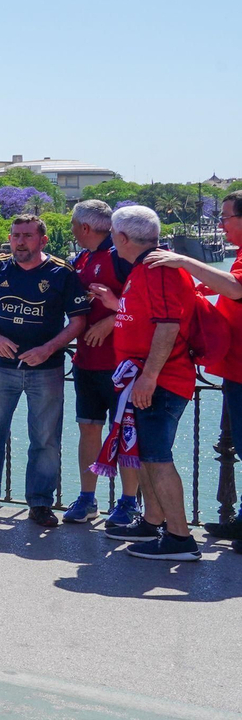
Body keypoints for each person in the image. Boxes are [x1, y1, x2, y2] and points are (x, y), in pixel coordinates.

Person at [90, 205, 203, 560]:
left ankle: (180, 539)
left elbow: (168, 326)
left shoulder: (158, 269)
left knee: (157, 458)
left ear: (121, 237)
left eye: (112, 236)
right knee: (147, 455)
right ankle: (153, 522)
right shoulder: (147, 268)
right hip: (146, 378)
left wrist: (149, 378)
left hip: (159, 380)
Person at [0, 215, 89, 526]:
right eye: (15, 235)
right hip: (1, 367)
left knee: (45, 438)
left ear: (42, 240)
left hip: (46, 369)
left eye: (27, 236)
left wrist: (49, 348)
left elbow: (78, 321)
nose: (20, 241)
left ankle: (40, 503)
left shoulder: (61, 273)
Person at [145, 188, 242, 549]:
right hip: (234, 368)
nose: (222, 224)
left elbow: (235, 289)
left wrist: (183, 262)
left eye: (227, 217)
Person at [62, 200, 142, 527]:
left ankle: (128, 503)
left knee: (126, 433)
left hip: (122, 366)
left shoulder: (122, 258)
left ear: (83, 227)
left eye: (72, 225)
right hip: (86, 362)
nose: (70, 230)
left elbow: (144, 303)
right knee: (88, 429)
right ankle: (87, 498)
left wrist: (112, 320)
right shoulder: (81, 259)